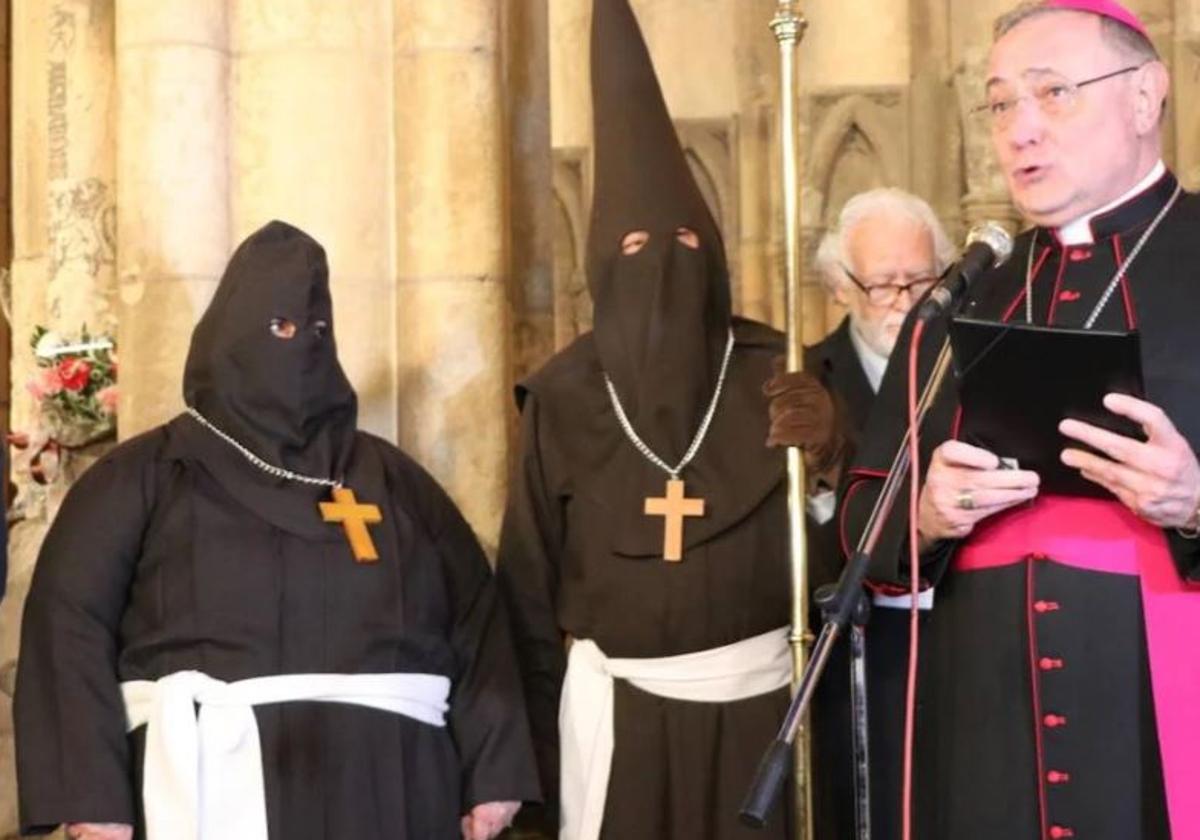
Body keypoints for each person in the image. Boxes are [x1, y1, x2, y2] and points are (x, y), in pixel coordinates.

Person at [784, 1, 1200, 837]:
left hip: (1155, 708)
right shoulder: (970, 294)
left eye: (1053, 93)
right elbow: (868, 517)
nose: (1021, 130)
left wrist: (1196, 502)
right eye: (1002, 102)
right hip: (985, 722)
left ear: (1147, 96)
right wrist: (928, 515)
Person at [14, 221, 539, 840]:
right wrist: (91, 796)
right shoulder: (140, 477)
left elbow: (477, 625)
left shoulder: (395, 481)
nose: (301, 347)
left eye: (317, 331)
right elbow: (68, 628)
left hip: (394, 786)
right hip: (208, 782)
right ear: (226, 338)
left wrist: (495, 773)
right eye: (279, 329)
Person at [494, 2, 822, 838]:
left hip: (765, 724)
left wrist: (829, 455)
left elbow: (851, 552)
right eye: (637, 250)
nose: (666, 266)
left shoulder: (778, 372)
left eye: (685, 241)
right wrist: (520, 781)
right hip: (619, 726)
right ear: (603, 261)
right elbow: (525, 601)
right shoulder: (562, 399)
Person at [768, 190, 953, 839]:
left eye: (921, 281)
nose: (904, 301)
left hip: (957, 644)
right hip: (850, 659)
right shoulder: (803, 382)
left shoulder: (971, 364)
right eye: (881, 285)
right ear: (839, 287)